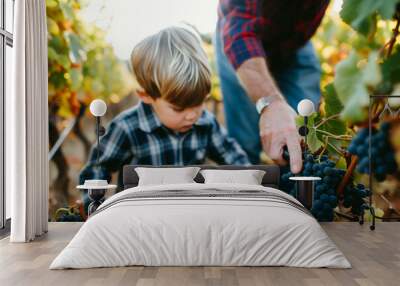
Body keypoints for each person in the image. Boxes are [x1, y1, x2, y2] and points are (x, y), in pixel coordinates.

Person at [79, 26, 250, 194]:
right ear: (146, 96)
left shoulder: (207, 124)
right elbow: (97, 170)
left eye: (199, 103)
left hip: (190, 213)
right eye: (178, 108)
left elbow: (235, 160)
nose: (192, 115)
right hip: (142, 215)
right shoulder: (127, 128)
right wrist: (96, 209)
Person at [215, 0, 329, 173]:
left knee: (304, 136)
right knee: (244, 146)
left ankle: (296, 188)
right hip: (240, 40)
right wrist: (271, 104)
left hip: (293, 44)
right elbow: (240, 31)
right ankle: (245, 192)